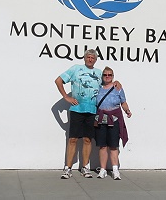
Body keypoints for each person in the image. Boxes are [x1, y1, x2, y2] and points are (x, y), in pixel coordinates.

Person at [55, 49, 121, 179]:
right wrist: (66, 97)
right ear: (84, 58)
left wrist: (116, 82)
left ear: (95, 60)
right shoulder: (75, 69)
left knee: (87, 139)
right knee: (73, 139)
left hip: (92, 111)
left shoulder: (98, 73)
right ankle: (67, 168)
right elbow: (58, 80)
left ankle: (85, 167)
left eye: (93, 58)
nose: (90, 59)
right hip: (77, 110)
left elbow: (107, 83)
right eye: (88, 57)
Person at [95, 66, 131, 180]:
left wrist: (127, 111)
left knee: (114, 146)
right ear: (102, 76)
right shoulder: (98, 88)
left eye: (109, 75)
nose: (107, 77)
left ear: (113, 76)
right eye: (105, 75)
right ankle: (103, 170)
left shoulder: (118, 88)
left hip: (114, 119)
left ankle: (115, 170)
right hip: (101, 119)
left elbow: (123, 102)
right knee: (102, 146)